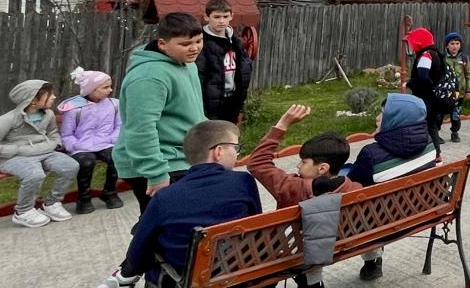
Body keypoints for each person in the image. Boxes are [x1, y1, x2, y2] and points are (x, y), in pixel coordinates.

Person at [102, 120, 262, 287]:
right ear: (218, 151)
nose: (237, 153)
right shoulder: (244, 182)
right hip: (240, 275)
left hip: (187, 281)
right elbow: (256, 226)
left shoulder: (164, 197)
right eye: (235, 148)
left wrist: (130, 270)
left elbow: (137, 254)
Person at [245, 105, 383, 284]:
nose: (298, 166)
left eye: (303, 162)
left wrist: (283, 124)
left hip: (302, 250)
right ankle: (373, 261)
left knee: (305, 241)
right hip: (348, 239)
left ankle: (312, 283)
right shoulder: (354, 188)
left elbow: (257, 163)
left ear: (322, 168)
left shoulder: (291, 188)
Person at [113, 12, 207, 213]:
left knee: (181, 220)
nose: (194, 48)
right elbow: (141, 129)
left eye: (199, 41)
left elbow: (191, 111)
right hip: (159, 162)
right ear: (162, 44)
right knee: (165, 223)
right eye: (185, 44)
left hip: (181, 156)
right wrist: (156, 173)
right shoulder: (149, 77)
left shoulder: (186, 63)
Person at [0, 79, 78, 228]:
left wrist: (54, 144)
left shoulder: (48, 114)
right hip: (13, 158)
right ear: (32, 100)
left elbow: (53, 133)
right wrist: (18, 150)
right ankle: (23, 211)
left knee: (70, 166)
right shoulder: (8, 120)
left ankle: (52, 203)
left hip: (43, 152)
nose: (53, 97)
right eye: (49, 95)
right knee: (34, 174)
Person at [58, 66, 123, 215]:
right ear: (91, 90)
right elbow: (67, 134)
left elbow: (119, 126)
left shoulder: (114, 104)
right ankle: (84, 198)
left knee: (117, 156)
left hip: (106, 142)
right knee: (86, 163)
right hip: (82, 146)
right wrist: (75, 146)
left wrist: (112, 139)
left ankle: (109, 192)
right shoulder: (74, 109)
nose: (110, 90)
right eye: (105, 87)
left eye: (110, 86)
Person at [348, 94, 436, 186]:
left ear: (397, 119)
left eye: (383, 113)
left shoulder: (370, 155)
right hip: (426, 194)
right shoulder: (429, 144)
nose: (377, 118)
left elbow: (351, 184)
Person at [196, 0, 253, 123]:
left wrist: (240, 106)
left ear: (231, 16)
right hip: (210, 104)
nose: (221, 21)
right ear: (206, 17)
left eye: (225, 16)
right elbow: (199, 77)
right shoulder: (200, 43)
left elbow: (242, 74)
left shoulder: (236, 42)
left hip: (232, 101)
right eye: (216, 17)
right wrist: (201, 110)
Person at [405, 27, 450, 149]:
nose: (411, 45)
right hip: (435, 97)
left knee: (424, 126)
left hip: (426, 98)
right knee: (431, 125)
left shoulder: (426, 55)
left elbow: (423, 77)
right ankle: (436, 153)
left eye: (412, 42)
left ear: (418, 42)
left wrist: (410, 84)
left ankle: (428, 152)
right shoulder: (437, 54)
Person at [440, 33, 470, 143]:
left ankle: (454, 132)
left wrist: (468, 90)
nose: (455, 46)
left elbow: (468, 74)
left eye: (457, 43)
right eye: (452, 43)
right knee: (440, 113)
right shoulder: (442, 58)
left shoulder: (464, 58)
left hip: (459, 93)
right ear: (447, 45)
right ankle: (436, 133)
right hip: (446, 92)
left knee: (456, 114)